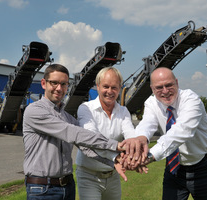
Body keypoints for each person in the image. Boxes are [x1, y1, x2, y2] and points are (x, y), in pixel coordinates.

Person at [22, 64, 143, 200]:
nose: (59, 88)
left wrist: (114, 161)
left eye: (64, 84)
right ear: (44, 83)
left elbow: (86, 146)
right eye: (54, 83)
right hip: (42, 188)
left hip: (67, 186)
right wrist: (116, 145)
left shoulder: (66, 117)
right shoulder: (34, 111)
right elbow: (73, 133)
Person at [134, 67, 207, 200]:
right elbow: (147, 123)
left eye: (169, 85)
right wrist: (141, 138)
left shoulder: (191, 99)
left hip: (206, 166)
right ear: (152, 89)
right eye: (159, 87)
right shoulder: (151, 103)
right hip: (175, 167)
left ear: (177, 82)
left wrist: (150, 156)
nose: (165, 91)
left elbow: (181, 131)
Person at [76, 67, 146, 200]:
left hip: (112, 176)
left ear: (120, 88)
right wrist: (117, 157)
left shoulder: (123, 111)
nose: (110, 91)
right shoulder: (86, 109)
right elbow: (93, 140)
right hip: (89, 175)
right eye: (105, 86)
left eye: (114, 87)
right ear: (97, 86)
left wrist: (134, 156)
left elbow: (130, 136)